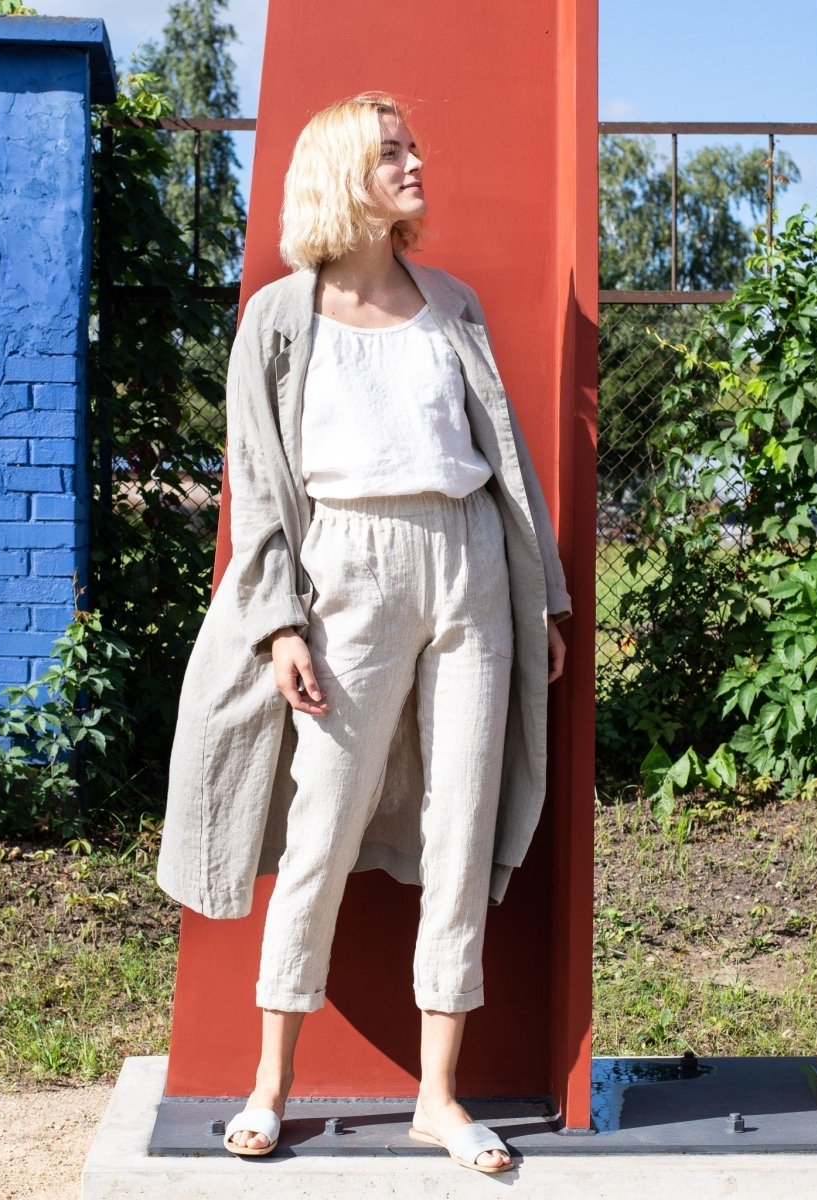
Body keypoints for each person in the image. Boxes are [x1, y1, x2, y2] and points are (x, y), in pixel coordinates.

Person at [156, 91, 571, 1175]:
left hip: (470, 565)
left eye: (413, 147)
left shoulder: (453, 303)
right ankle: (270, 1084)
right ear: (345, 173)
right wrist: (280, 624)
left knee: (461, 826)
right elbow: (258, 485)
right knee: (322, 827)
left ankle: (439, 1097)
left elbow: (507, 462)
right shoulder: (279, 318)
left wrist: (539, 596)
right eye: (392, 152)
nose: (415, 163)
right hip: (348, 567)